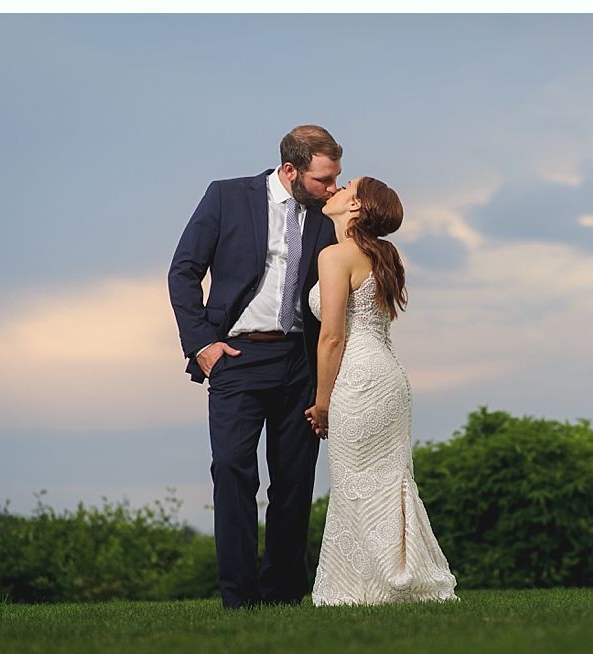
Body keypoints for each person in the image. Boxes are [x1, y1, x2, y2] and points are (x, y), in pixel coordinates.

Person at [168, 125, 341, 609]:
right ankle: (239, 599)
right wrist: (202, 343)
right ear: (291, 170)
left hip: (299, 361)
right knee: (232, 471)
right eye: (324, 179)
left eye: (336, 179)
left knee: (294, 480)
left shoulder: (328, 215)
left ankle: (283, 594)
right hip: (237, 357)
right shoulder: (226, 197)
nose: (332, 189)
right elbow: (183, 271)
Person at [304, 177, 459, 605]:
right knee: (389, 479)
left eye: (346, 186)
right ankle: (397, 577)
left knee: (356, 481)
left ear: (355, 209)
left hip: (358, 378)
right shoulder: (383, 255)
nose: (335, 188)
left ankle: (367, 587)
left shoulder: (335, 256)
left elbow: (332, 337)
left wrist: (321, 403)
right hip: (390, 377)